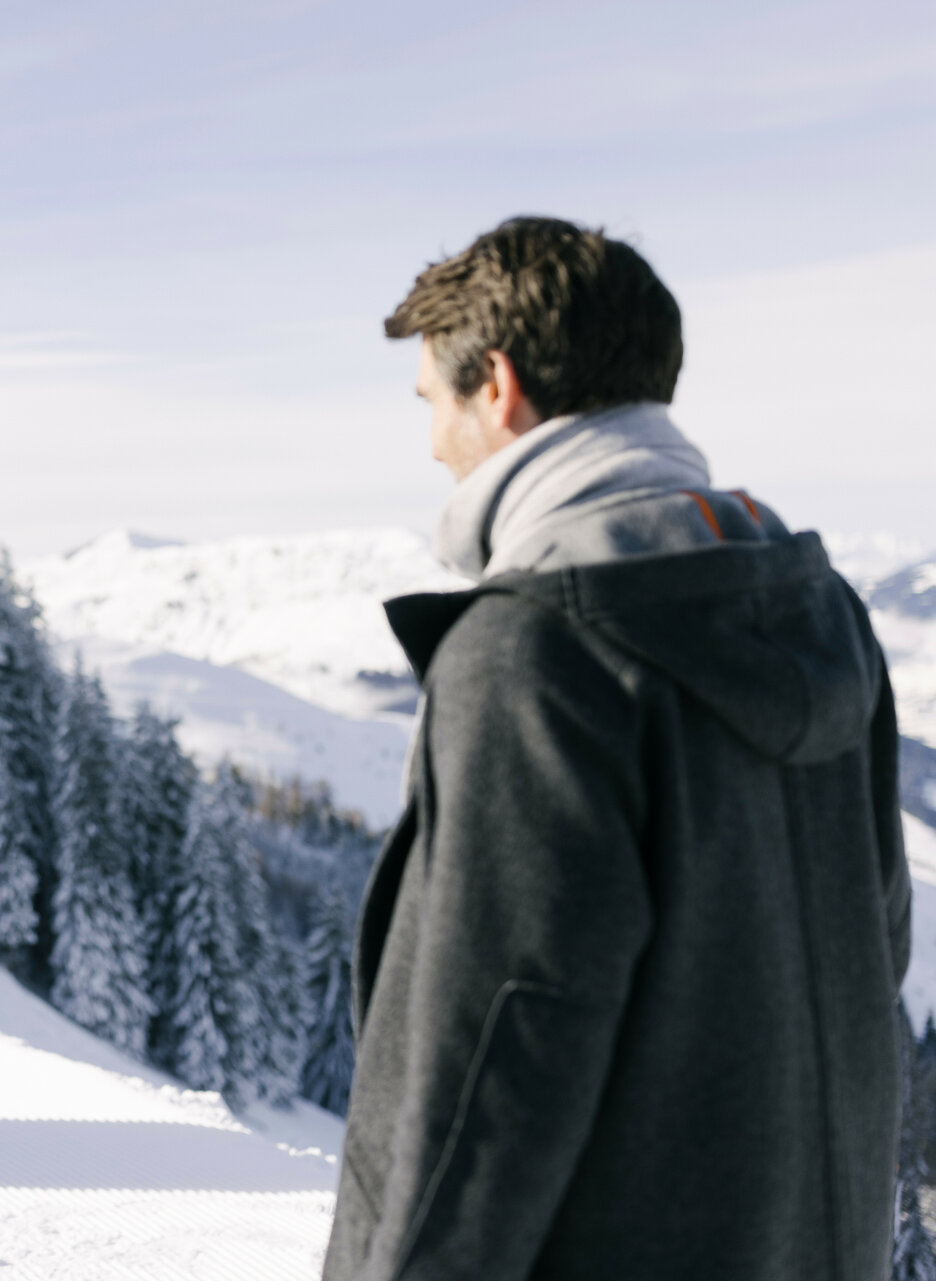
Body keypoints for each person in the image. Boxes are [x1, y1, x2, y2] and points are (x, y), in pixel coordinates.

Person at [322, 217, 909, 1279]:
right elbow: (878, 947)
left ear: (495, 385)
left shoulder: (535, 653)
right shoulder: (820, 614)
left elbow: (498, 1061)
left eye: (431, 403)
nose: (431, 444)